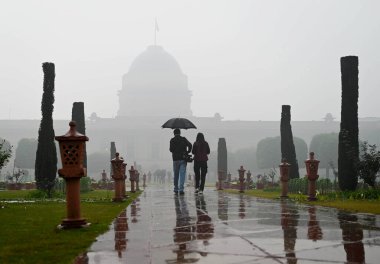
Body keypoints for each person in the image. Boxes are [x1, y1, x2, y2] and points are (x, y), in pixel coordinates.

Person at [170, 128, 192, 195]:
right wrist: (188, 151)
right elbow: (190, 145)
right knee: (182, 175)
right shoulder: (183, 139)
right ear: (180, 133)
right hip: (183, 158)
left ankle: (176, 189)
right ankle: (181, 189)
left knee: (176, 175)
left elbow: (171, 150)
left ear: (174, 133)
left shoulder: (172, 140)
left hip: (175, 159)